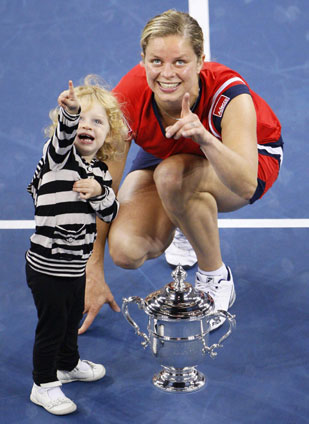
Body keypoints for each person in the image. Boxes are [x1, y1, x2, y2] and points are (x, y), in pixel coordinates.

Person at [79, 9, 283, 335]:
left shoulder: (229, 96)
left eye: (180, 62)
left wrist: (203, 137)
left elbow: (246, 184)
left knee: (173, 176)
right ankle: (186, 217)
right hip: (166, 151)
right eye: (156, 61)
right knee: (127, 250)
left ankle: (215, 276)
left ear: (201, 61)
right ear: (142, 60)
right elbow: (104, 185)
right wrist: (93, 271)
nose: (167, 73)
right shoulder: (128, 97)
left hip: (244, 155)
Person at [25, 76, 127, 415]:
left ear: (107, 135)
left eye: (96, 121)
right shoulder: (56, 158)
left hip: (75, 265)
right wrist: (70, 113)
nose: (86, 125)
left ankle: (68, 364)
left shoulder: (99, 171)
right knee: (52, 326)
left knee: (70, 320)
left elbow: (111, 210)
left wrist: (100, 193)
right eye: (79, 118)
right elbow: (63, 137)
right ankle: (44, 384)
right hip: (47, 265)